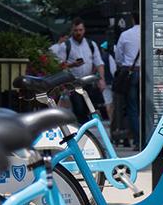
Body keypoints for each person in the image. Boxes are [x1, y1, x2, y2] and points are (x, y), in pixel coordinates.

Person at [49, 17, 107, 120]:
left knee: (88, 109)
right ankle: (81, 130)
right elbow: (59, 65)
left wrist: (101, 79)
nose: (78, 33)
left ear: (84, 30)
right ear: (72, 31)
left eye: (80, 30)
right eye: (76, 30)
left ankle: (84, 130)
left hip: (88, 82)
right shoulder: (65, 46)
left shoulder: (91, 44)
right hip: (73, 83)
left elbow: (99, 63)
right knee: (79, 109)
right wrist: (73, 65)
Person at [112, 16, 141, 148]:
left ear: (133, 19)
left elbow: (118, 57)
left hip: (131, 73)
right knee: (148, 108)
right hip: (147, 74)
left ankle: (137, 140)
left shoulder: (125, 35)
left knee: (132, 108)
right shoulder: (150, 33)